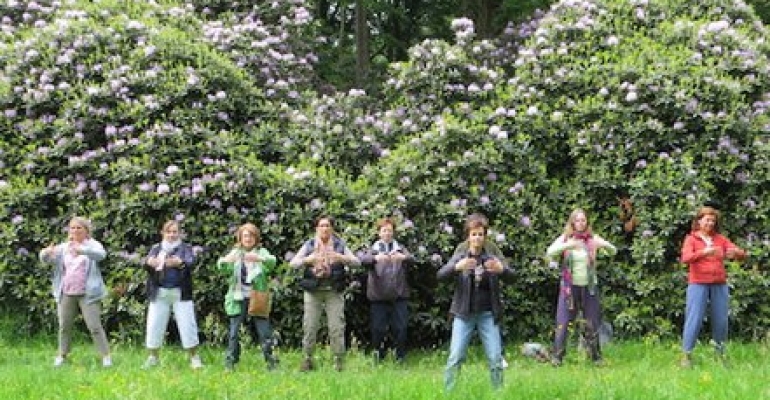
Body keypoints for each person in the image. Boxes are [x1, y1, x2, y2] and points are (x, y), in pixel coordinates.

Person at [437, 213, 514, 390]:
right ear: (468, 236)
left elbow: (513, 276)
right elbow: (440, 275)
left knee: (495, 358)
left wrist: (501, 270)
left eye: (480, 234)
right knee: (455, 356)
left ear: (485, 235)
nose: (477, 238)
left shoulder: (492, 252)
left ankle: (498, 393)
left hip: (488, 313)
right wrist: (458, 267)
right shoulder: (461, 252)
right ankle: (449, 392)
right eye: (474, 234)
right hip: (464, 313)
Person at [546, 208, 616, 367]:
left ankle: (596, 358)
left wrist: (603, 244)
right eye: (577, 220)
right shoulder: (566, 238)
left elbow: (613, 251)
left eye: (583, 220)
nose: (580, 223)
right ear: (572, 222)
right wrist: (568, 245)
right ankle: (557, 357)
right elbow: (550, 252)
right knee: (563, 322)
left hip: (589, 287)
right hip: (569, 288)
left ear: (587, 222)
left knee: (592, 322)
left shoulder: (592, 239)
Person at [290, 215, 360, 372]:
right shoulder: (309, 245)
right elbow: (293, 263)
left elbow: (357, 262)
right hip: (313, 292)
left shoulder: (339, 244)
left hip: (334, 291)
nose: (325, 228)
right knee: (310, 326)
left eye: (327, 225)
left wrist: (341, 258)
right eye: (321, 226)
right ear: (317, 229)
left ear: (332, 229)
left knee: (336, 327)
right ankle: (307, 360)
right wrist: (308, 260)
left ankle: (338, 362)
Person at [679, 206, 747, 368]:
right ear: (699, 221)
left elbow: (742, 255)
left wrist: (737, 253)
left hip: (719, 284)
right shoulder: (692, 239)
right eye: (707, 220)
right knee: (694, 319)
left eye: (713, 220)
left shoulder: (720, 239)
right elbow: (686, 258)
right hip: (698, 284)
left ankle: (720, 354)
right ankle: (686, 356)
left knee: (721, 320)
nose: (710, 223)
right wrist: (705, 252)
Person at [39, 216, 112, 367]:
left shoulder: (93, 245)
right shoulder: (64, 247)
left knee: (94, 326)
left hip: (88, 293)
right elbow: (46, 259)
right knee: (64, 325)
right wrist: (46, 253)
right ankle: (62, 355)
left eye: (79, 228)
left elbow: (101, 255)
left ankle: (106, 357)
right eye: (72, 228)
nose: (75, 230)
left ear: (86, 231)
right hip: (66, 292)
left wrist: (83, 250)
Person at [217, 223, 279, 371]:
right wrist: (226, 261)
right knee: (234, 333)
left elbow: (272, 262)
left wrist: (259, 259)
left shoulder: (261, 251)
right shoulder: (235, 252)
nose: (248, 238)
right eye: (245, 235)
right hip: (237, 298)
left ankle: (272, 364)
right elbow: (221, 267)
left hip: (257, 297)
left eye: (251, 235)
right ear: (240, 238)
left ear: (256, 238)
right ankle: (230, 363)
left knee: (264, 333)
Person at [142, 220, 202, 369]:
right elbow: (145, 263)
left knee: (188, 325)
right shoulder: (156, 248)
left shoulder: (185, 248)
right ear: (163, 233)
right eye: (169, 232)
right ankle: (153, 357)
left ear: (179, 233)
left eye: (175, 232)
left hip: (180, 293)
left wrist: (179, 263)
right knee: (154, 325)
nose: (172, 235)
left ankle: (194, 358)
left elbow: (191, 262)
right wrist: (150, 262)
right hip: (159, 293)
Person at [359, 218, 414, 364]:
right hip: (378, 297)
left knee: (401, 328)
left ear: (393, 232)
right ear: (379, 233)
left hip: (399, 296)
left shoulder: (400, 248)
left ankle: (400, 358)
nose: (387, 233)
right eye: (384, 230)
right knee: (378, 329)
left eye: (390, 230)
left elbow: (412, 259)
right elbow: (363, 260)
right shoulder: (373, 249)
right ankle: (378, 357)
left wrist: (403, 257)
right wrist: (376, 258)